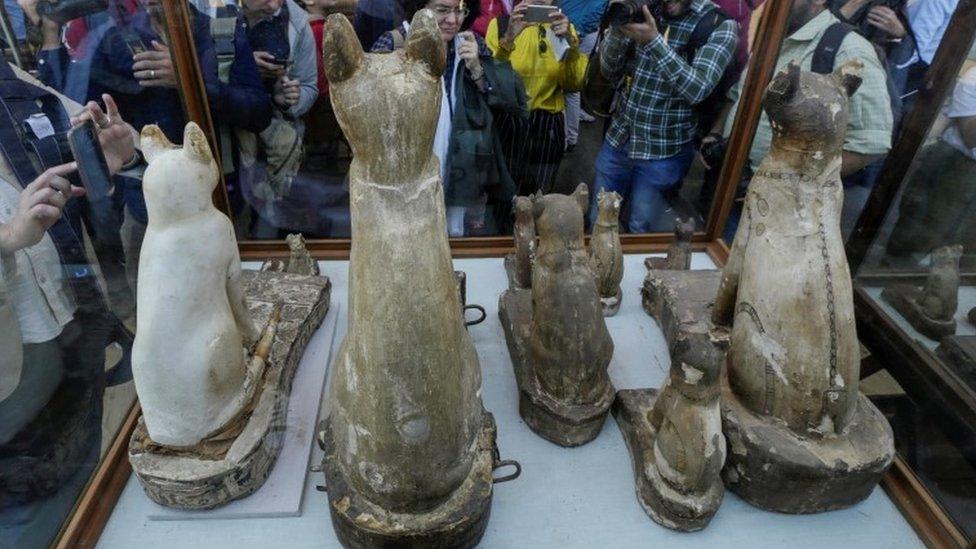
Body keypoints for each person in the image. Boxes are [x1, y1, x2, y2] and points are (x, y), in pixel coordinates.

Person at [0, 66, 137, 546]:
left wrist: (109, 160)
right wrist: (7, 238)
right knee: (24, 514)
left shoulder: (18, 81)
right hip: (9, 368)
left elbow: (107, 150)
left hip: (73, 326)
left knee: (81, 481)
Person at [712, 0, 892, 239]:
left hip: (777, 212)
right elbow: (738, 95)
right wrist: (714, 135)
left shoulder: (849, 51)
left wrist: (792, 186)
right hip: (729, 186)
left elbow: (869, 143)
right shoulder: (774, 35)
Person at [373, 0, 526, 236]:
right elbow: (372, 110)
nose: (453, 20)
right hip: (408, 171)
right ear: (418, 8)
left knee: (456, 242)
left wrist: (477, 68)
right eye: (442, 10)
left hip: (461, 171)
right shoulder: (392, 43)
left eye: (460, 10)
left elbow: (508, 103)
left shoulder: (470, 44)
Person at [590, 0, 738, 233]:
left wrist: (653, 42)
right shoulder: (649, 7)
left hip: (664, 150)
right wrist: (620, 26)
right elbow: (609, 70)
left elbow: (697, 89)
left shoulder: (718, 24)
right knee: (598, 220)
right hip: (620, 136)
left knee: (641, 228)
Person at [486, 0, 589, 196]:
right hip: (509, 120)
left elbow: (573, 84)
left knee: (539, 196)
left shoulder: (564, 29)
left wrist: (570, 44)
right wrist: (508, 39)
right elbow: (493, 83)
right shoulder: (500, 25)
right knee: (504, 194)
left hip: (547, 124)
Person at [885, 66, 976, 268]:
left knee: (963, 242)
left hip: (962, 168)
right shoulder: (973, 79)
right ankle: (897, 272)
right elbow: (971, 137)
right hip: (957, 163)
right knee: (926, 230)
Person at [560, 0, 607, 151]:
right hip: (567, 29)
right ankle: (569, 133)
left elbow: (596, 9)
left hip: (579, 32)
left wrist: (578, 31)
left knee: (570, 86)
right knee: (570, 84)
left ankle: (569, 138)